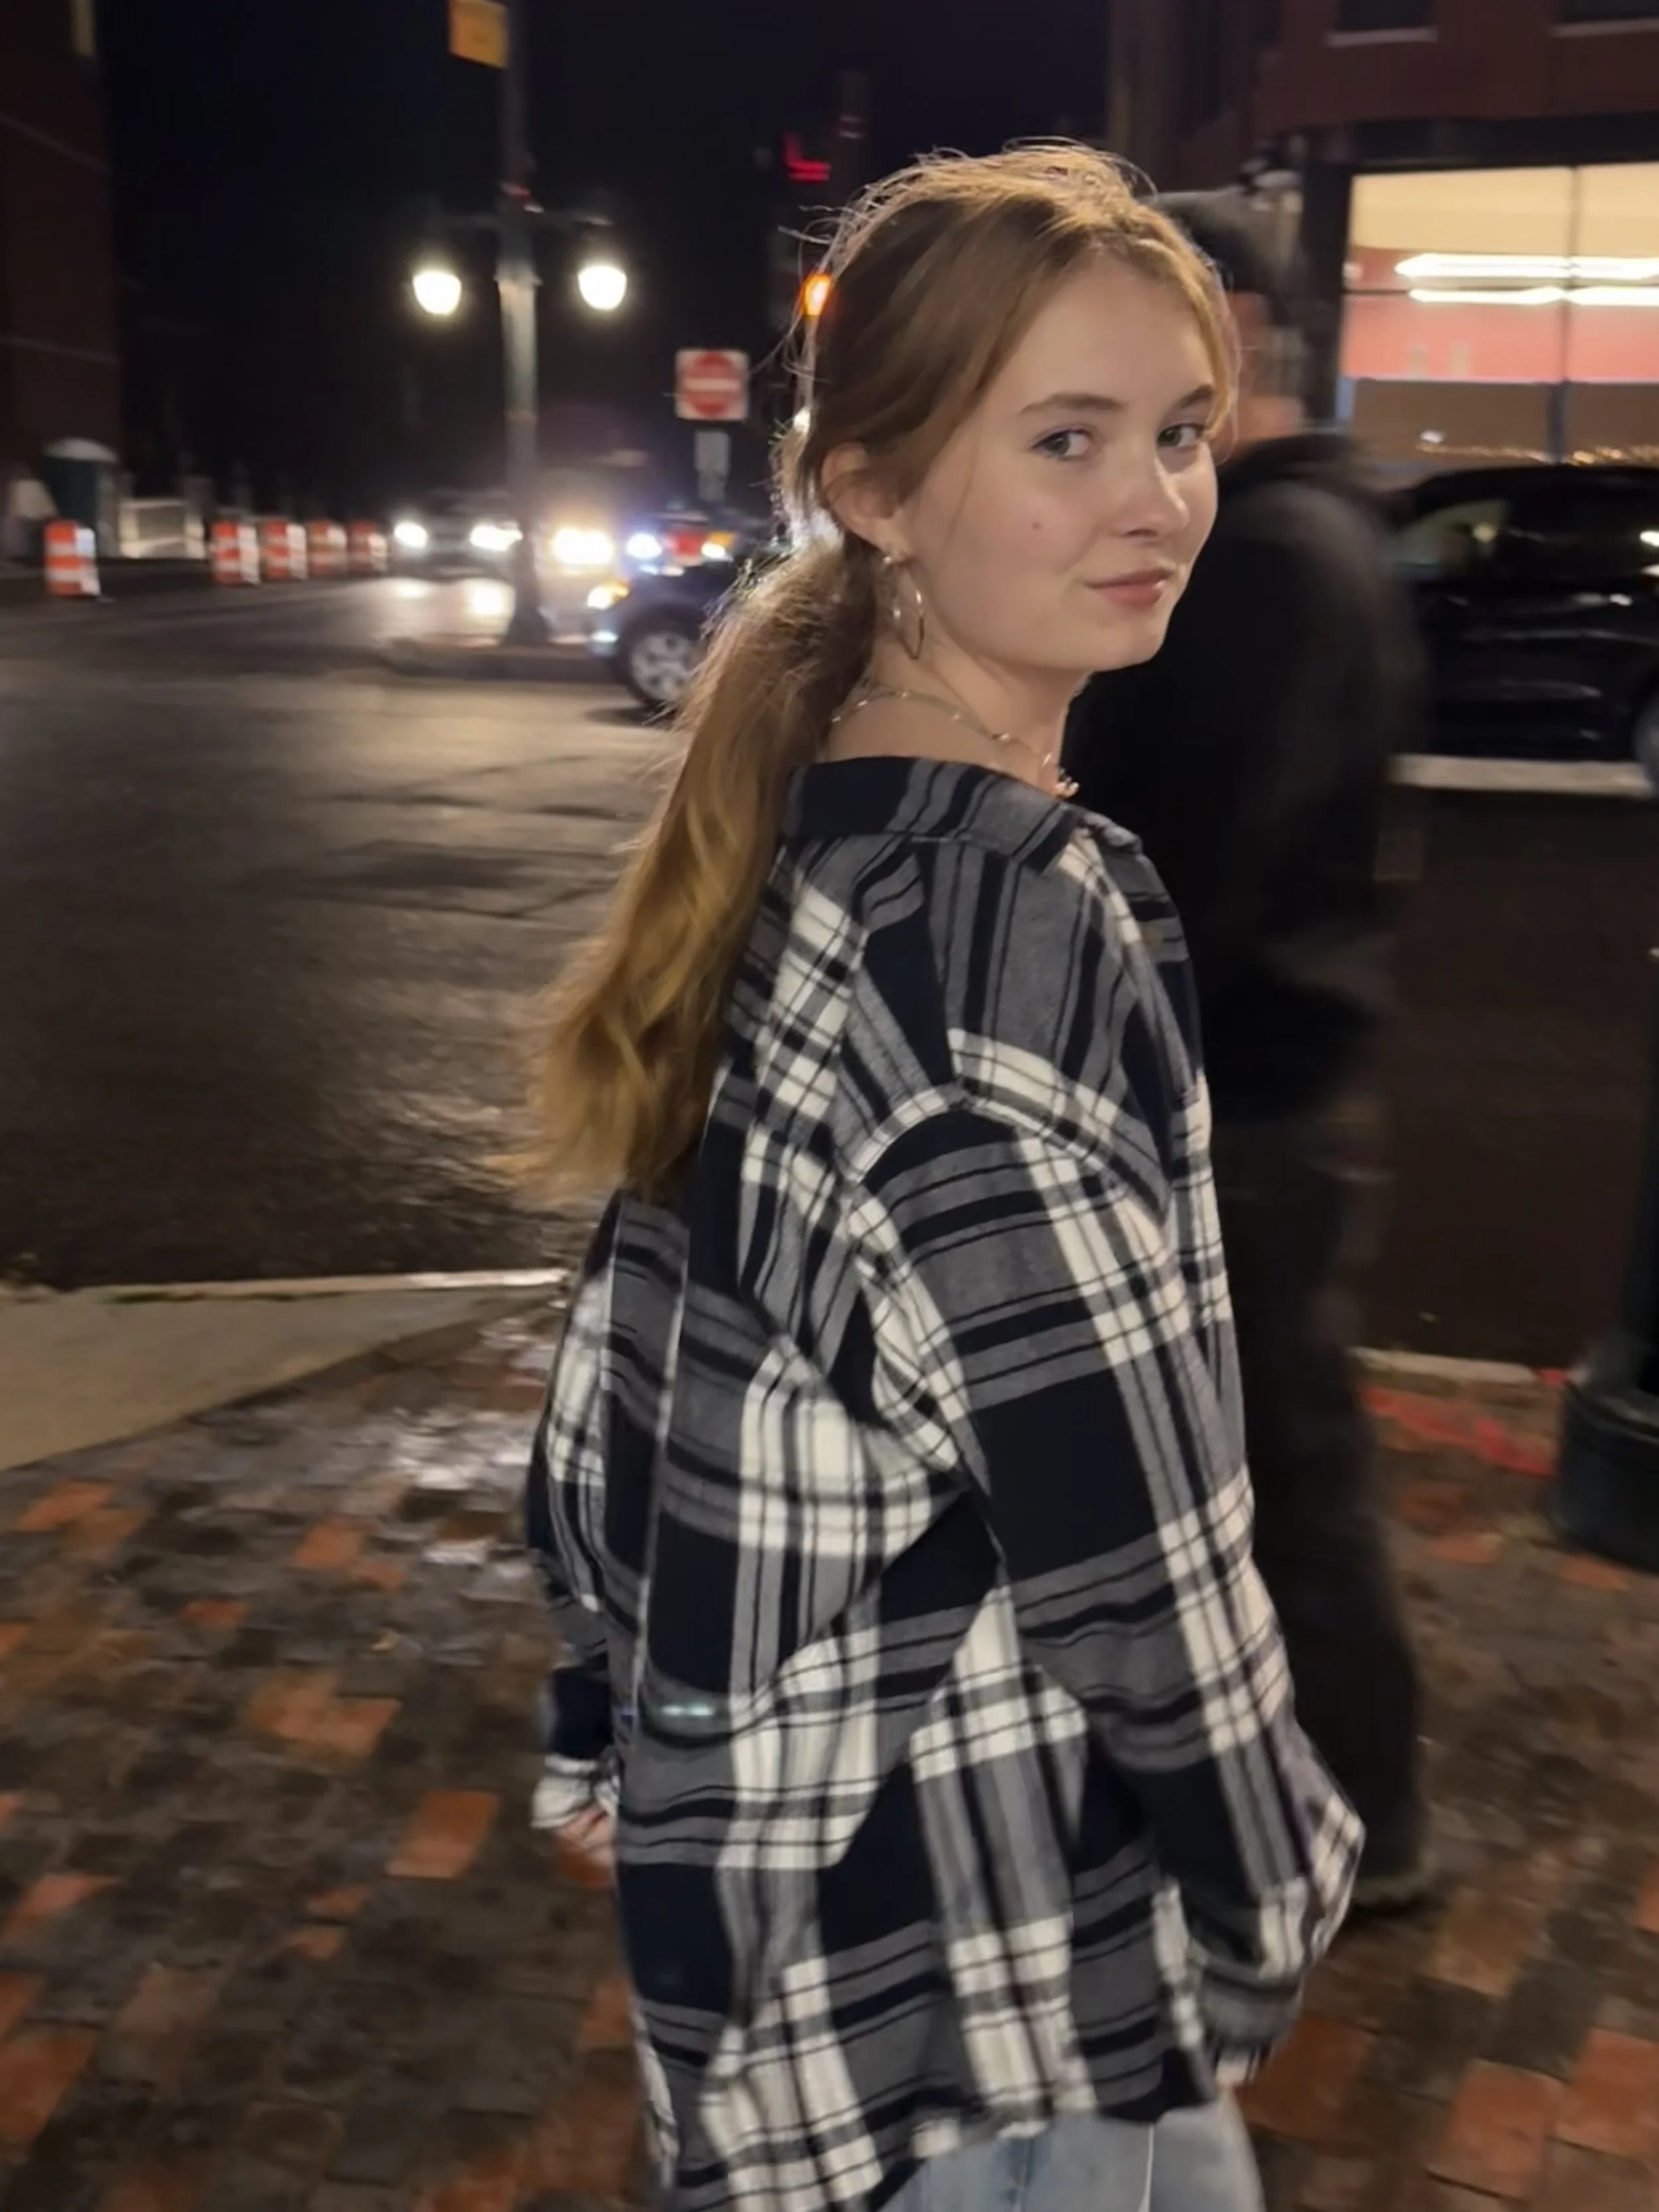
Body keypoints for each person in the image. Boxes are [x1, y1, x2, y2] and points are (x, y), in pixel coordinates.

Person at [526, 147, 1360, 2212]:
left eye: (1180, 432)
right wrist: (1269, 1878)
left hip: (786, 1915)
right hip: (985, 1959)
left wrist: (598, 1713)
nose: (1154, 500)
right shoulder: (1003, 935)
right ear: (874, 489)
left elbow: (627, 1351)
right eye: (1064, 439)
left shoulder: (803, 836)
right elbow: (1131, 1544)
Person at [1065, 191, 1431, 1915]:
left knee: (1280, 1472)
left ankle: (1366, 1819)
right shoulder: (1306, 536)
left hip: (1244, 1102)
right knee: (1260, 1463)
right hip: (1267, 1088)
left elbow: (1191, 870)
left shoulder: (1272, 560)